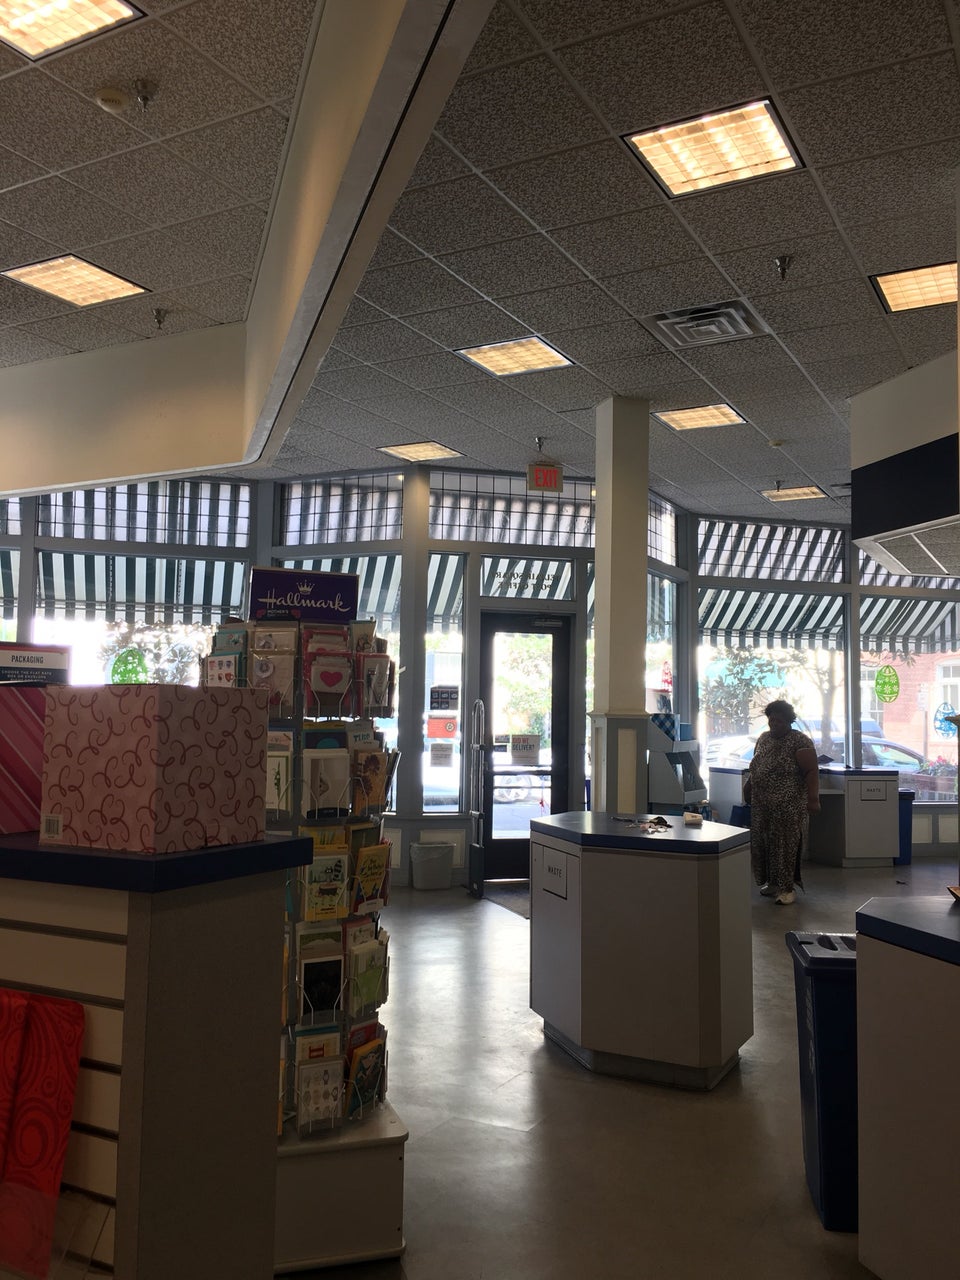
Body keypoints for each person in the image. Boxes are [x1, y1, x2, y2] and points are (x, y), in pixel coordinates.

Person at [742, 699, 820, 905]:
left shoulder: (800, 741)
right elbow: (756, 767)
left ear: (788, 721)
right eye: (771, 720)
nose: (774, 724)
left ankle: (787, 888)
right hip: (762, 804)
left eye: (779, 721)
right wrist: (748, 787)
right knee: (764, 843)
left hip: (788, 805)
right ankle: (773, 883)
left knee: (784, 845)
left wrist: (813, 799)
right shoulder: (764, 739)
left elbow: (812, 771)